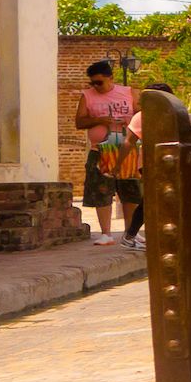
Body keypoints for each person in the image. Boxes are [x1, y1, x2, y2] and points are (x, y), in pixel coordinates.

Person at [73, 60, 138, 244]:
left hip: (126, 149)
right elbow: (80, 122)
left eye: (99, 82)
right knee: (102, 190)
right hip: (100, 149)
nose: (95, 86)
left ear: (111, 78)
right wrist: (101, 120)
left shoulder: (128, 92)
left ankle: (130, 231)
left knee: (130, 190)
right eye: (92, 83)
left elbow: (141, 114)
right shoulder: (87, 96)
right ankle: (106, 233)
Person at [119, 83, 175, 248]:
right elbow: (129, 142)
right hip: (151, 163)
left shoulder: (174, 114)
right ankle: (130, 235)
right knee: (151, 200)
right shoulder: (142, 117)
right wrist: (118, 165)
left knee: (167, 200)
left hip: (171, 161)